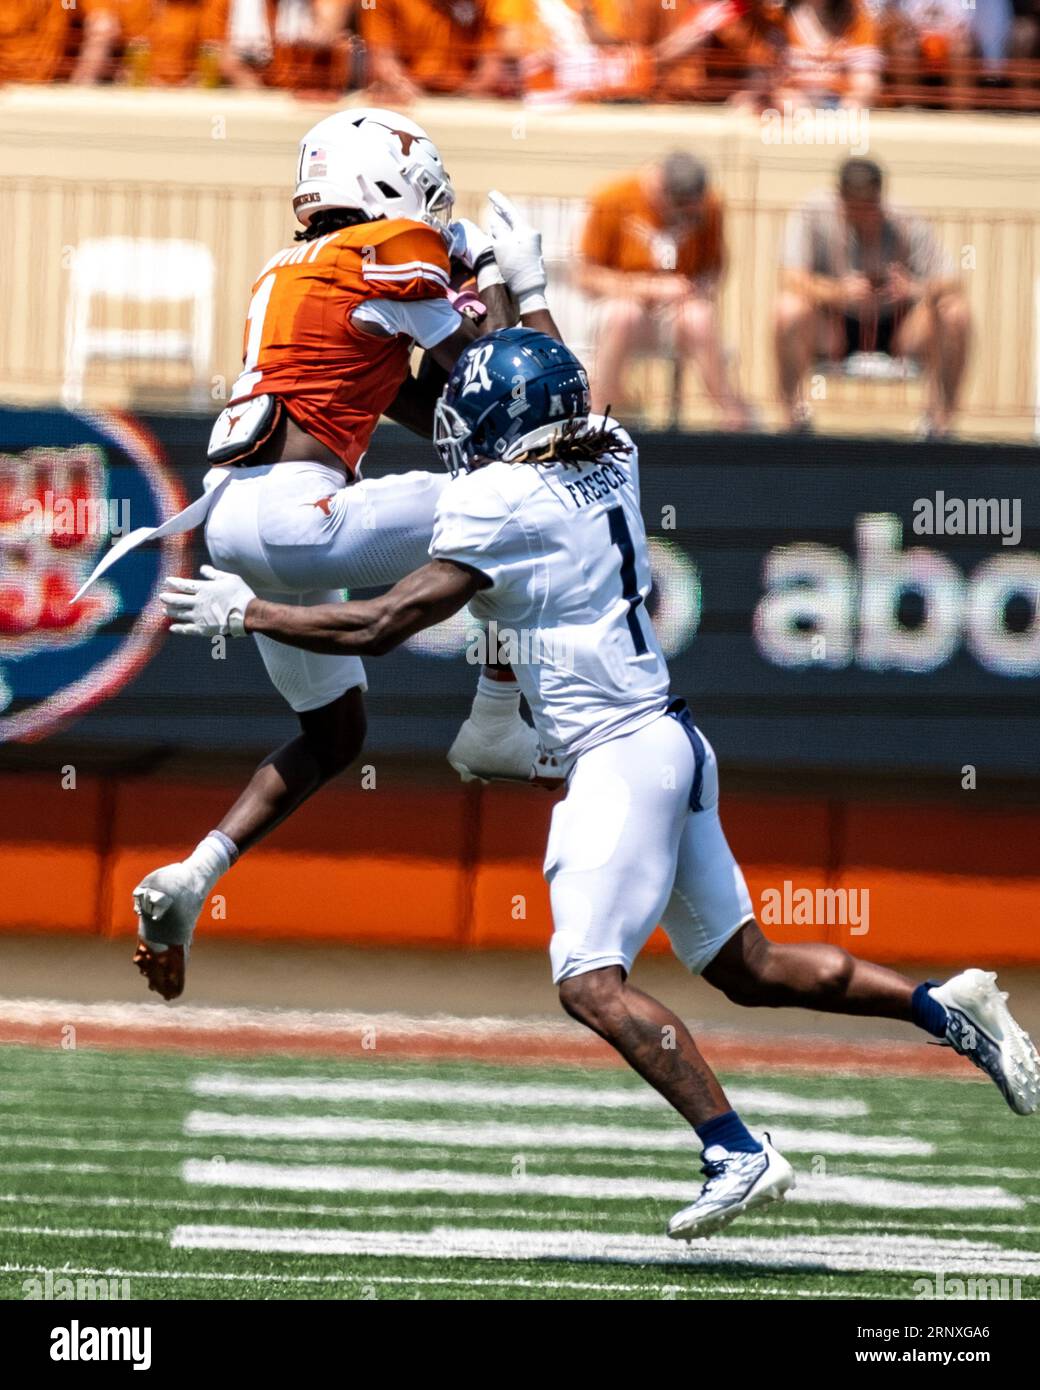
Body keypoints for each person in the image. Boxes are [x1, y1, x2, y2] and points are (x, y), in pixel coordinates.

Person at [159, 251, 1039, 1239]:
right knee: (745, 966)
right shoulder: (611, 447)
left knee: (588, 980)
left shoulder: (503, 504)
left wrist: (256, 609)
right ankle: (944, 1005)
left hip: (618, 758)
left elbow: (380, 623)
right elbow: (548, 372)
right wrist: (521, 289)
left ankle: (735, 1148)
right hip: (671, 738)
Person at [71, 109, 542, 1001]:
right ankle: (493, 721)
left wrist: (460, 397)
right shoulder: (391, 243)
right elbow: (494, 383)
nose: (435, 211)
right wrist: (498, 277)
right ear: (384, 184)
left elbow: (409, 396)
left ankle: (194, 875)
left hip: (235, 523)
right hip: (300, 514)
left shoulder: (287, 268)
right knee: (523, 506)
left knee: (335, 734)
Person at [774, 156, 971, 434]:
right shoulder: (813, 212)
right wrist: (838, 292)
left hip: (898, 330)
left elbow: (952, 280)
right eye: (856, 208)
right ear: (840, 199)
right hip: (835, 328)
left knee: (955, 311)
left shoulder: (905, 220)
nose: (865, 215)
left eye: (871, 207)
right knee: (788, 309)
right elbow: (789, 277)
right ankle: (793, 420)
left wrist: (913, 288)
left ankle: (940, 423)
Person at [576, 152, 753, 429]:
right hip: (620, 307)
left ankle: (733, 416)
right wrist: (647, 288)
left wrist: (694, 290)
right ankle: (598, 417)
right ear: (660, 190)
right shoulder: (613, 198)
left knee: (699, 316)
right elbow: (586, 276)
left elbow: (714, 270)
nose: (687, 218)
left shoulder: (709, 206)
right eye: (681, 209)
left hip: (678, 311)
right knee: (625, 315)